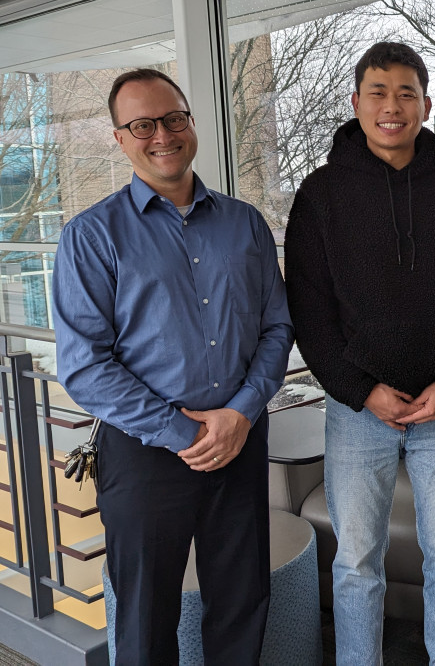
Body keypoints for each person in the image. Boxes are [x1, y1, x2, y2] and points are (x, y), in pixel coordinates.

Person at [53, 69, 293, 664]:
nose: (162, 134)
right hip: (144, 453)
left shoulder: (245, 224)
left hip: (239, 442)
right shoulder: (90, 237)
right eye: (142, 124)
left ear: (191, 122)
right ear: (119, 138)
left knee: (241, 602)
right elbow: (84, 365)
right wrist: (184, 432)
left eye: (174, 118)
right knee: (144, 615)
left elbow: (276, 328)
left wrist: (239, 414)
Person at [284, 41, 435, 665]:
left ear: (426, 105)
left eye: (406, 93)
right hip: (358, 412)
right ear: (356, 104)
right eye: (378, 93)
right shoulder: (319, 195)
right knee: (356, 562)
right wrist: (361, 390)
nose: (392, 106)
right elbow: (310, 311)